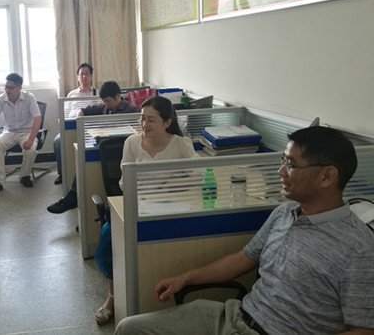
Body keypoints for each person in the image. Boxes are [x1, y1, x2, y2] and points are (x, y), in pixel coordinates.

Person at [115, 126, 374, 335]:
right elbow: (243, 259)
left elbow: (363, 329)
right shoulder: (284, 213)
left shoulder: (358, 249)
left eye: (291, 165)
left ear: (327, 176)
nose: (281, 171)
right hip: (234, 316)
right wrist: (185, 278)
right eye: (283, 161)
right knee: (129, 329)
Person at [94, 96, 198, 325]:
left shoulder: (181, 144)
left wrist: (171, 185)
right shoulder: (132, 143)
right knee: (110, 237)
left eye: (151, 120)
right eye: (142, 119)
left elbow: (199, 174)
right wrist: (146, 191)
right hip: (136, 205)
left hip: (170, 208)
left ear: (167, 122)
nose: (144, 124)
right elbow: (124, 182)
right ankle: (112, 298)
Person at [47, 80, 140, 214]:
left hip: (120, 153)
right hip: (103, 149)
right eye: (104, 101)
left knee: (85, 165)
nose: (106, 104)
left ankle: (71, 199)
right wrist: (80, 121)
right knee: (83, 163)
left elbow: (136, 136)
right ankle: (74, 200)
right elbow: (82, 111)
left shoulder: (132, 110)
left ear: (118, 96)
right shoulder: (104, 107)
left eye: (108, 101)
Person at [0, 73, 42, 195]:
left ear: (19, 88)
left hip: (27, 132)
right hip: (9, 132)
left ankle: (24, 176)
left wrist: (31, 139)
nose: (7, 90)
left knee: (30, 150)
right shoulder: (1, 99)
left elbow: (37, 119)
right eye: (6, 86)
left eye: (11, 87)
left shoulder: (29, 97)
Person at [53, 62, 98, 185]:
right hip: (71, 127)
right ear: (78, 77)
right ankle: (62, 173)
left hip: (89, 128)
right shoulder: (71, 94)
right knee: (57, 142)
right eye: (81, 74)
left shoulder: (97, 94)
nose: (84, 77)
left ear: (91, 76)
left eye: (87, 74)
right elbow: (65, 114)